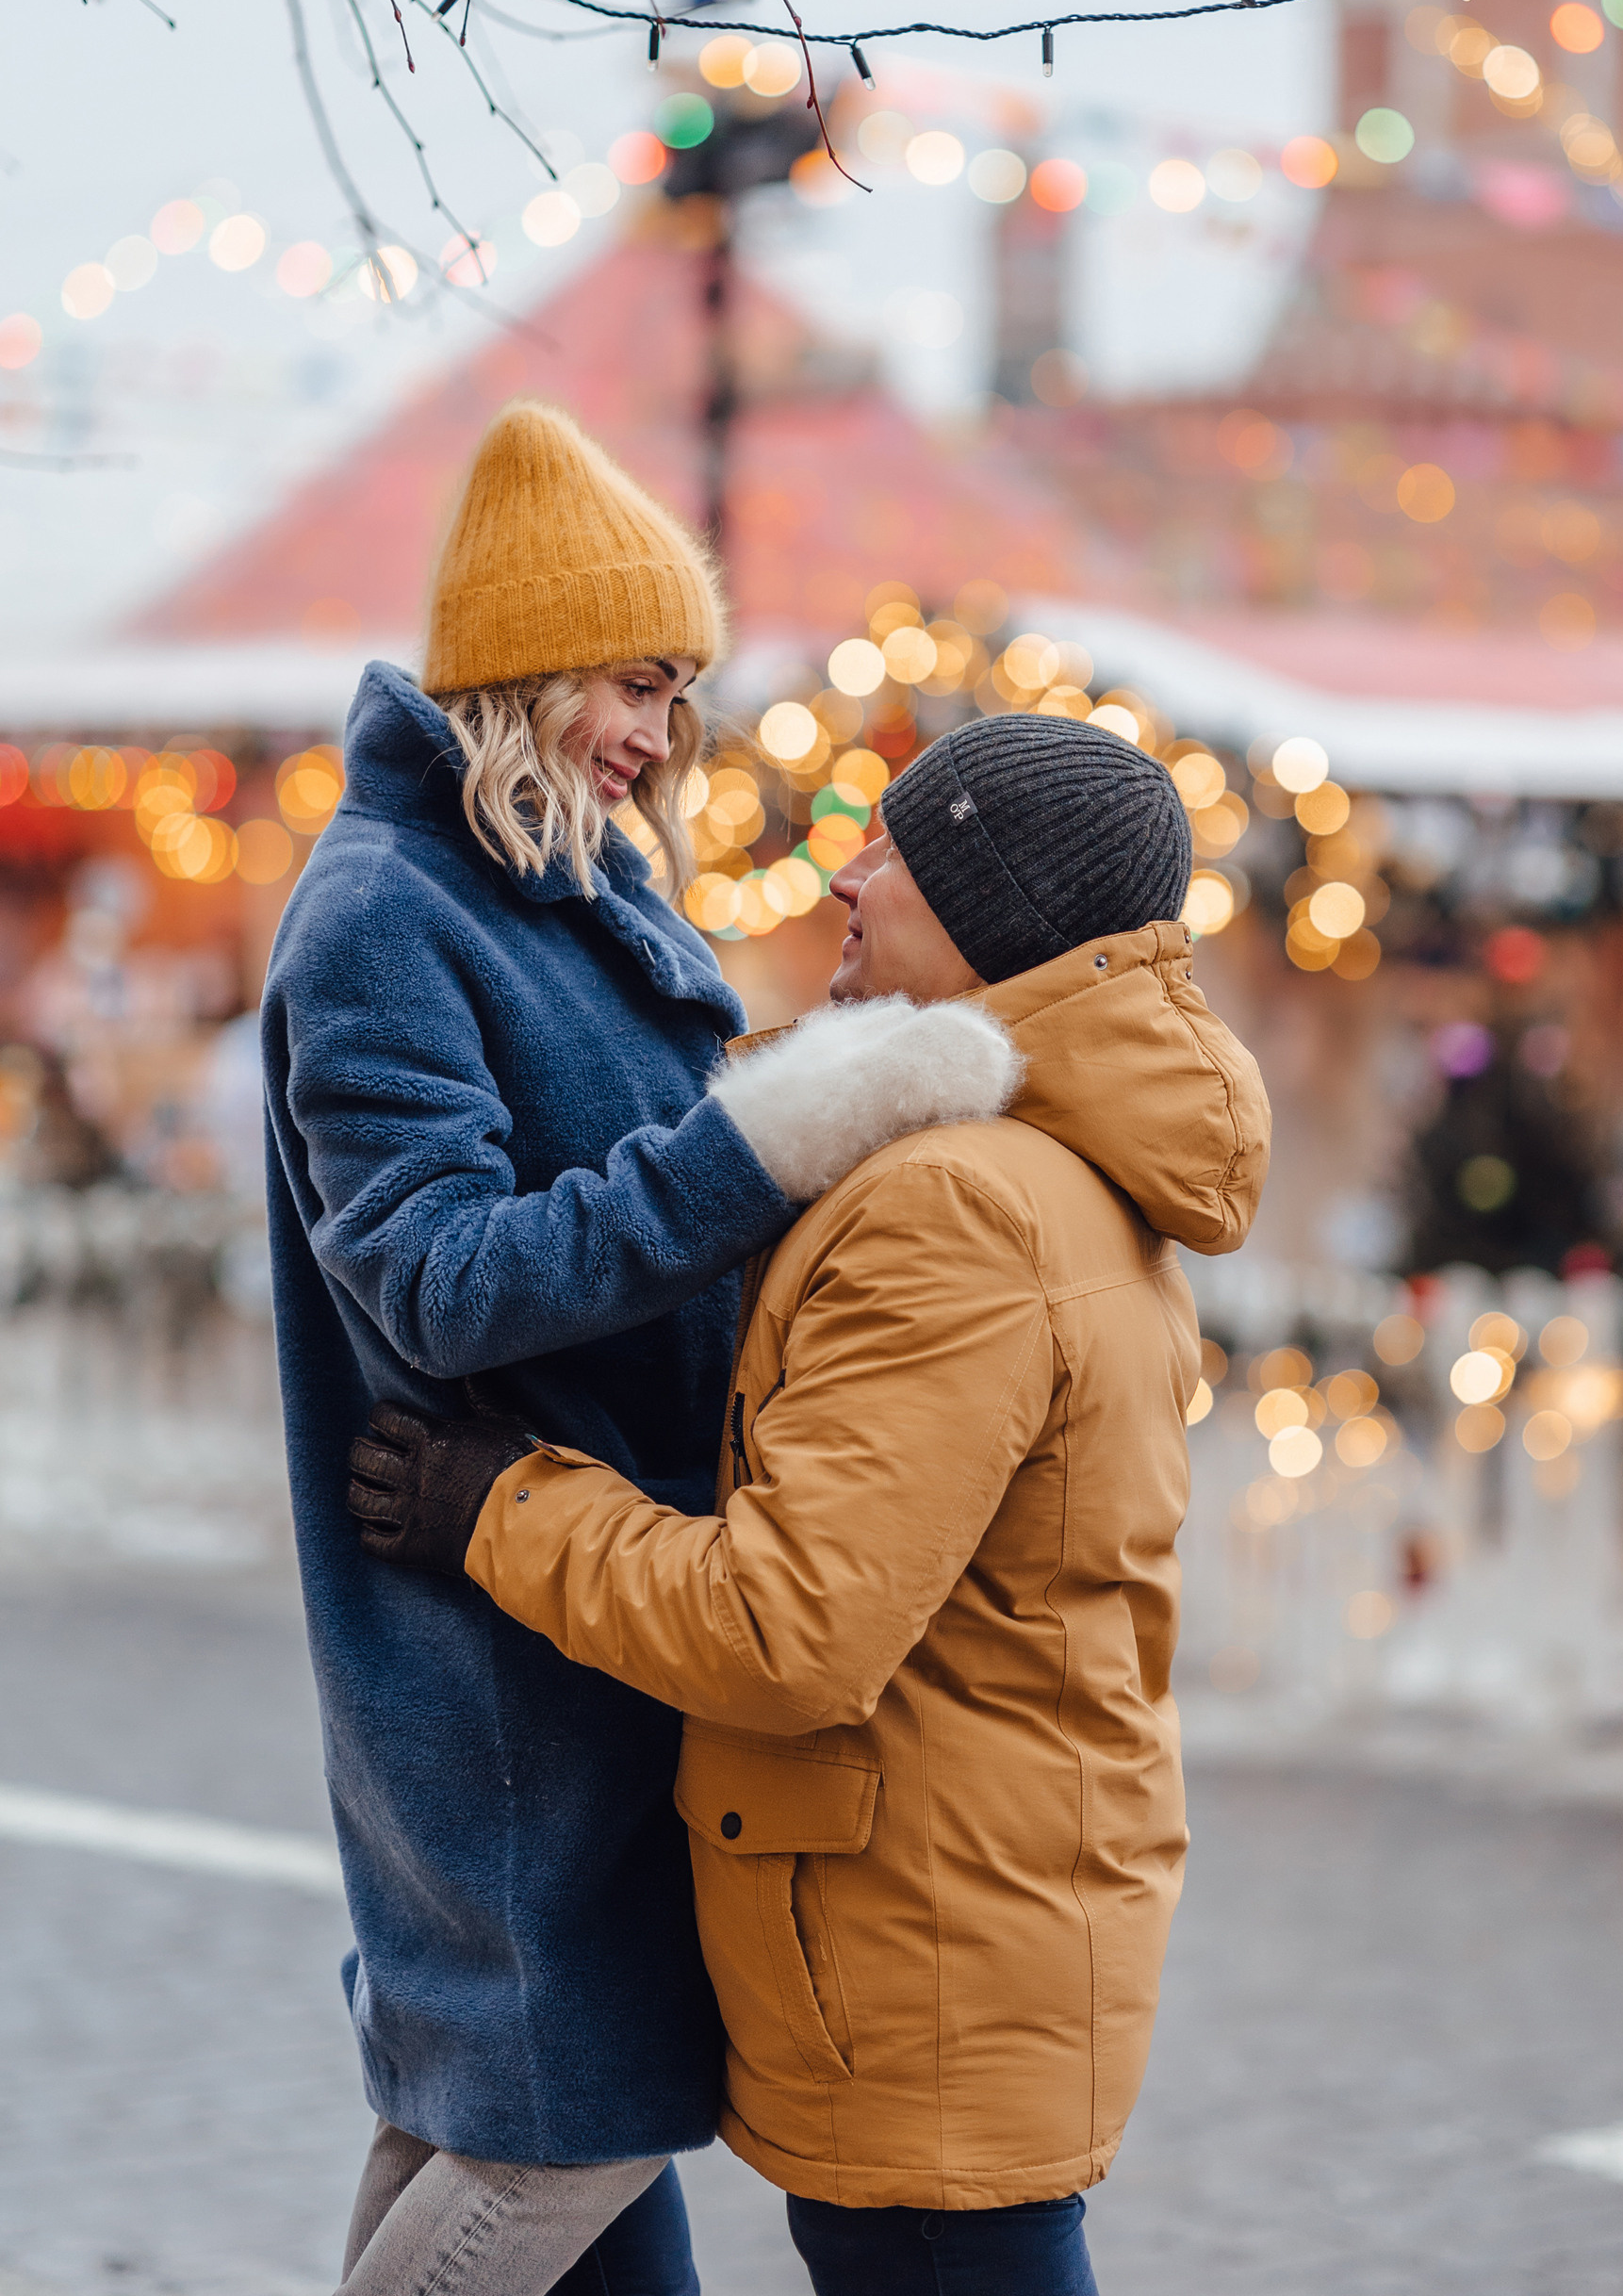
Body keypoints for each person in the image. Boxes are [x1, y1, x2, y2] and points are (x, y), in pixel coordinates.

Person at [345, 709, 1272, 2296]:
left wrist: (498, 1506)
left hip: (926, 1957)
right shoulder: (1027, 1162)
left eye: (898, 856)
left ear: (993, 917)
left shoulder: (962, 1201)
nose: (848, 876)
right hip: (961, 1918)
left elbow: (788, 1630)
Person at [263, 401, 1019, 2296]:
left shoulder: (565, 877)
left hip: (610, 1613)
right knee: (557, 2126)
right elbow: (439, 1279)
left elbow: (641, 1191)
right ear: (520, 674)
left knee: (503, 2121)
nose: (661, 740)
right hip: (498, 1654)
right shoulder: (380, 917)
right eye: (633, 683)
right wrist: (772, 1139)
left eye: (678, 691)